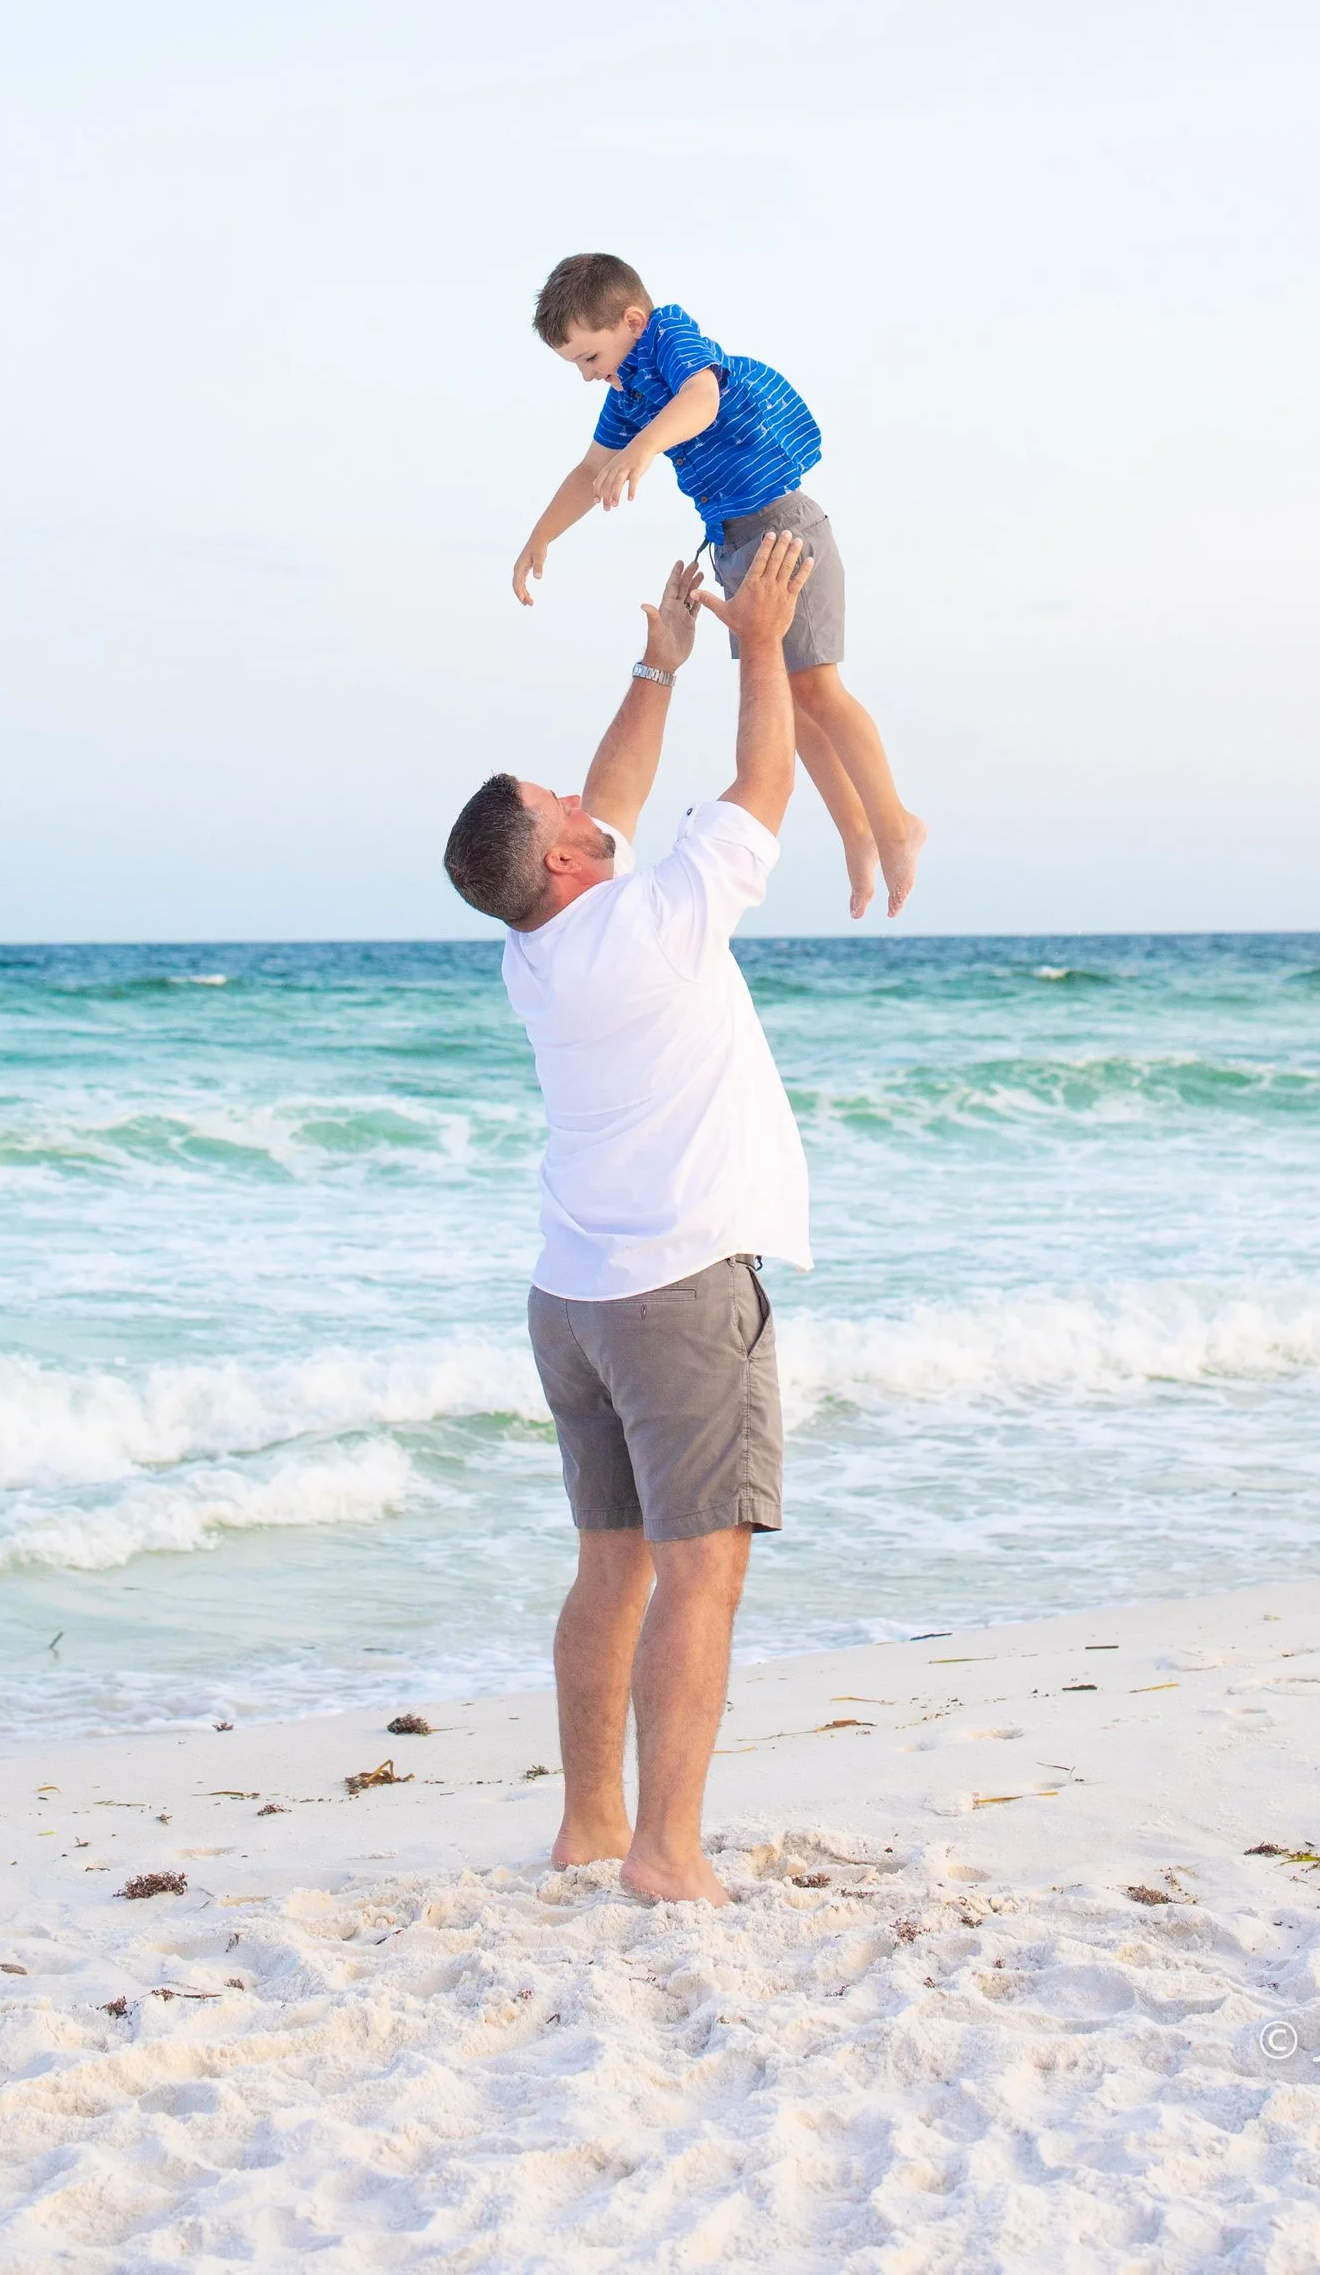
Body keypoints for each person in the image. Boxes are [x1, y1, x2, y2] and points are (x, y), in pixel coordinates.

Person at [441, 529, 817, 1903]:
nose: (581, 800)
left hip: (576, 1301)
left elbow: (608, 797)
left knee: (612, 1566)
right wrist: (758, 646)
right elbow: (763, 788)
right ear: (561, 859)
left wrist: (657, 665)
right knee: (699, 1573)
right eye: (558, 806)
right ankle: (664, 1852)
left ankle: (591, 1825)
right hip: (676, 1292)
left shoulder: (538, 944)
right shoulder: (651, 922)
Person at [510, 250, 927, 918]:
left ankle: (896, 824)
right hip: (736, 548)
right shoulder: (628, 394)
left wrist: (645, 449)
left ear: (632, 321)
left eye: (590, 357)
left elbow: (702, 399)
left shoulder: (670, 337)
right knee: (788, 707)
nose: (588, 376)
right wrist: (542, 535)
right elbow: (591, 471)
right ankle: (856, 832)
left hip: (784, 530)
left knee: (819, 689)